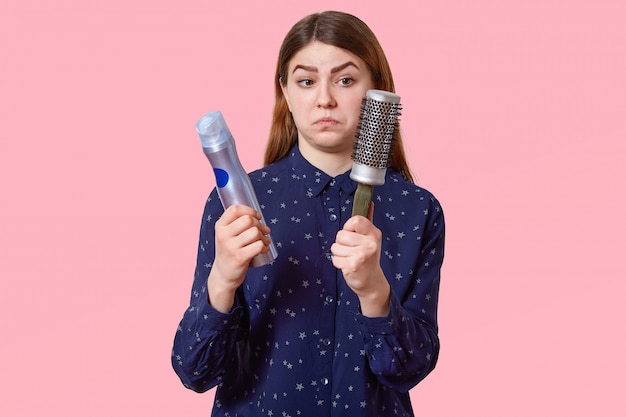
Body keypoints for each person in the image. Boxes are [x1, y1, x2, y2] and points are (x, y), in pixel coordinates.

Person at [172, 10, 445, 417]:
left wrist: (374, 291)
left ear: (377, 90)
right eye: (306, 81)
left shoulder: (417, 210)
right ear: (285, 90)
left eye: (346, 80)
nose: (325, 99)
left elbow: (408, 368)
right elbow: (195, 370)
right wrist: (222, 280)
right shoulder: (238, 205)